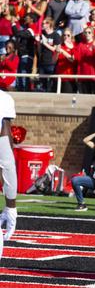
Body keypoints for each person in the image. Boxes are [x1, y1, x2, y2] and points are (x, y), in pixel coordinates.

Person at [0, 89, 17, 260]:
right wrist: (11, 206)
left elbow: (6, 160)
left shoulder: (3, 100)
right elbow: (7, 162)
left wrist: (11, 206)